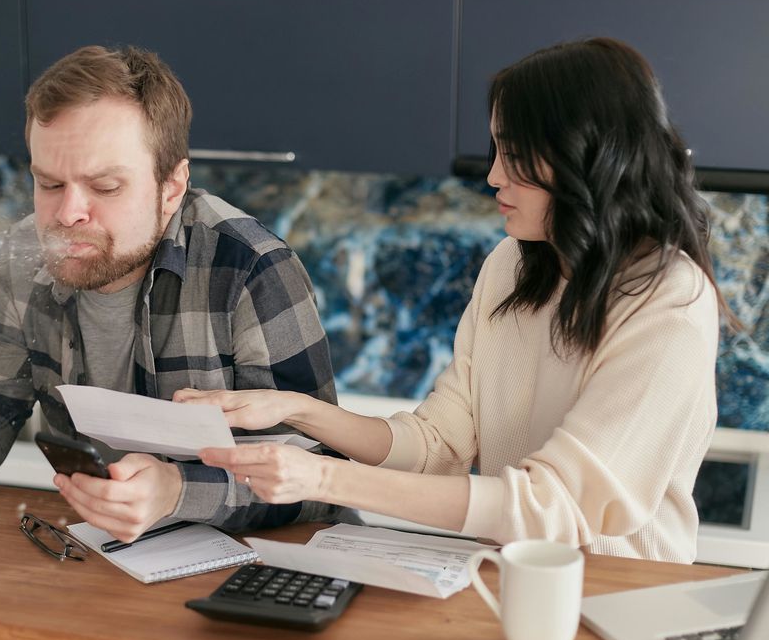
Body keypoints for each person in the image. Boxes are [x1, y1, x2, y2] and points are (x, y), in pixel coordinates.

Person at [0, 45, 339, 640]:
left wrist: (177, 490)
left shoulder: (251, 268)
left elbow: (322, 474)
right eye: (49, 182)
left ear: (172, 187)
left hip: (253, 574)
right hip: (101, 568)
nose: (68, 214)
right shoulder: (24, 262)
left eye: (105, 187)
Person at [179, 37, 737, 566]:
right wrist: (295, 410)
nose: (493, 175)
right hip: (511, 577)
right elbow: (438, 442)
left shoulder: (669, 302)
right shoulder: (512, 266)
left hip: (623, 600)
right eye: (495, 150)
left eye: (514, 155)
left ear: (585, 159)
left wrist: (323, 478)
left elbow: (552, 506)